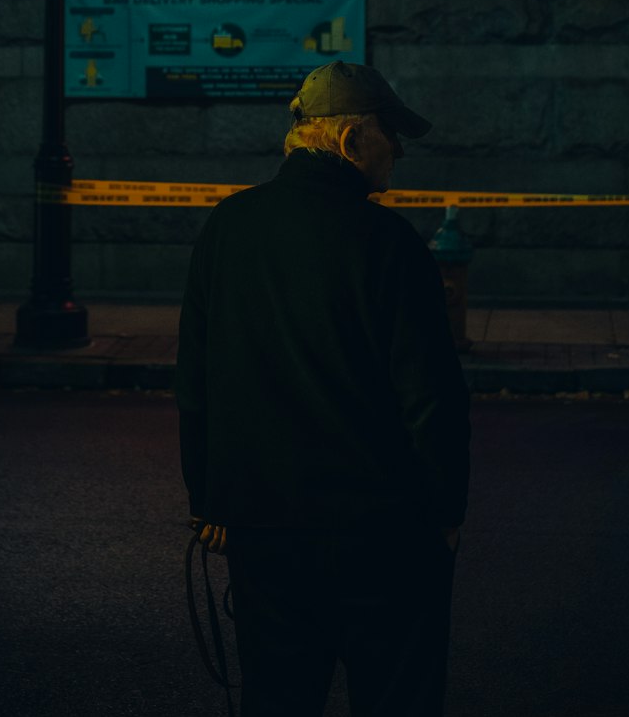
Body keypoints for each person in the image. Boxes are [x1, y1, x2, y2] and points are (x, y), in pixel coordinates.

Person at [176, 61, 470, 717]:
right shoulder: (389, 244)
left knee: (279, 698)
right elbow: (430, 398)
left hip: (265, 531)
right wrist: (446, 513)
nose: (399, 149)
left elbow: (196, 378)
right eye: (390, 133)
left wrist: (210, 501)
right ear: (350, 139)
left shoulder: (228, 229)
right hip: (381, 533)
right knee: (396, 696)